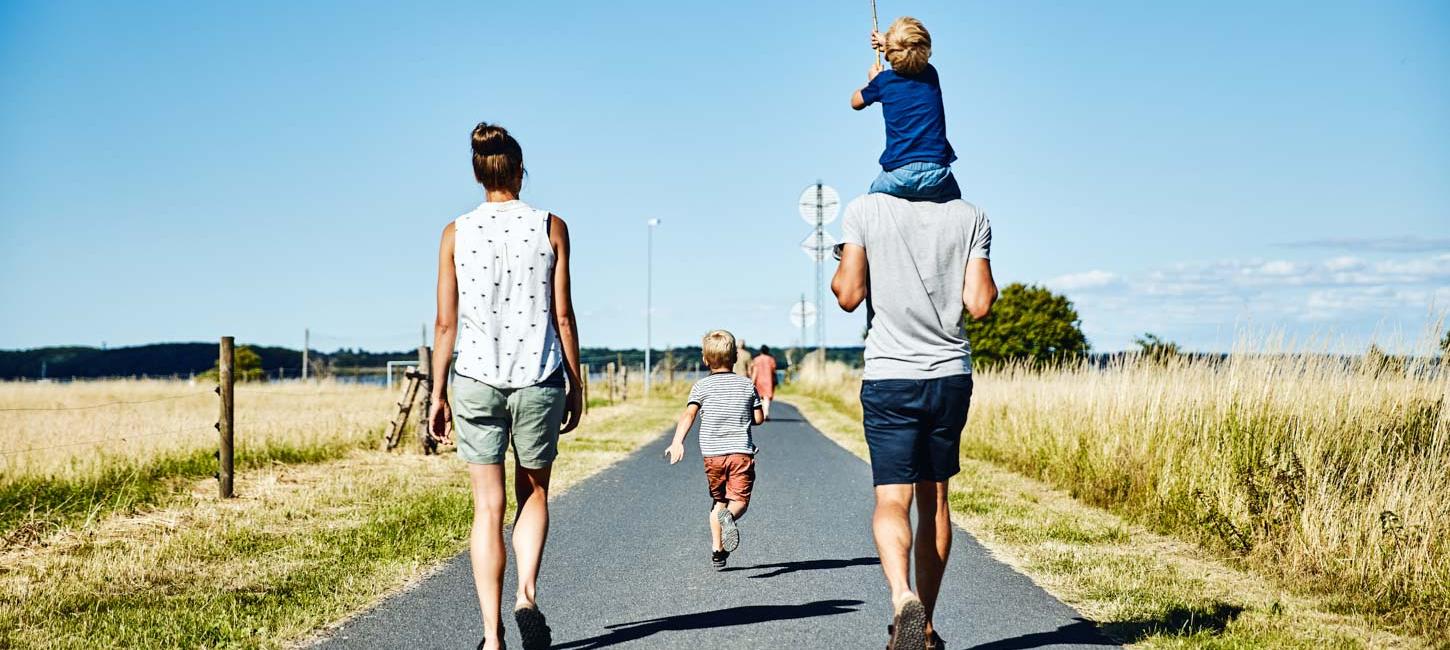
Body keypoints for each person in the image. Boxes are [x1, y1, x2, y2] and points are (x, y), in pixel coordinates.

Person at [428, 122, 584, 650]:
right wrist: (576, 381)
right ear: (520, 171)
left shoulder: (455, 233)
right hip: (539, 377)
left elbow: (445, 324)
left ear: (478, 174)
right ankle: (525, 596)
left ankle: (492, 639)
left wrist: (436, 394)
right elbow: (562, 315)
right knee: (534, 491)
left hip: (474, 378)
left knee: (486, 508)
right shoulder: (551, 226)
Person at [831, 191, 996, 650]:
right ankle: (924, 627)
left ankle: (903, 597)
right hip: (947, 378)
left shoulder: (865, 210)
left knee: (892, 499)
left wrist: (844, 260)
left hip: (890, 378)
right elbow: (980, 303)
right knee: (935, 501)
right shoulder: (971, 216)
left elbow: (848, 295)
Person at [665, 330, 764, 571]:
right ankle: (730, 518)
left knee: (718, 501)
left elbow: (689, 414)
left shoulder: (701, 387)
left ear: (705, 359)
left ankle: (718, 550)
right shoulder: (746, 385)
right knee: (738, 501)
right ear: (736, 357)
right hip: (740, 452)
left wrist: (678, 441)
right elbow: (759, 418)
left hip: (712, 455)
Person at [851, 17, 961, 204]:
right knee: (955, 201)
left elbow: (855, 102)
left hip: (899, 174)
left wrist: (873, 82)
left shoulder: (883, 82)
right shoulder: (931, 75)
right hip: (938, 173)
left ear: (891, 53)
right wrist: (888, 42)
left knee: (871, 203)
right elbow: (910, 52)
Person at [750, 345, 778, 420]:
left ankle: (762, 413)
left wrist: (752, 381)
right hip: (769, 380)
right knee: (767, 398)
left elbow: (754, 371)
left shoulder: (756, 359)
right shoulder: (771, 359)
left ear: (761, 351)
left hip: (759, 380)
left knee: (760, 398)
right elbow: (774, 370)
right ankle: (766, 413)